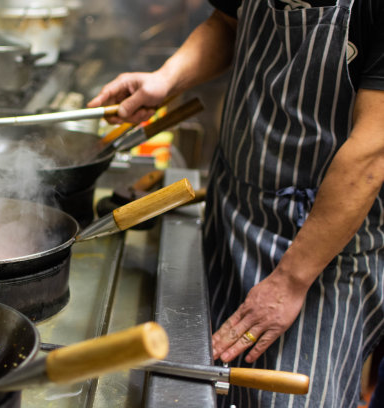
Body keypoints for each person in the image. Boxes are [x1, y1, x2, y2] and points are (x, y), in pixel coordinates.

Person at [88, 0, 384, 406]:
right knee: (206, 384)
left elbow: (372, 151)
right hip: (232, 213)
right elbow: (229, 23)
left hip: (319, 253)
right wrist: (166, 80)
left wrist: (290, 281)